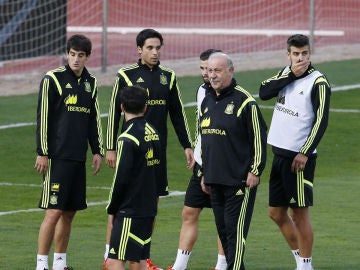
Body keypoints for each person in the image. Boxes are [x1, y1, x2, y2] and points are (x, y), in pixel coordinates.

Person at [104, 28, 194, 270]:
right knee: (124, 199)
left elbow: (177, 111)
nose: (155, 53)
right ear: (139, 50)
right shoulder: (126, 75)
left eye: (158, 48)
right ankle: (109, 254)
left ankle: (142, 254)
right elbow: (114, 112)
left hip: (156, 150)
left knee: (151, 204)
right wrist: (110, 147)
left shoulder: (168, 76)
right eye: (150, 48)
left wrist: (187, 144)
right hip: (131, 149)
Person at [259, 34, 331, 270]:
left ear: (310, 54)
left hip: (298, 159)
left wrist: (305, 152)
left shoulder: (319, 82)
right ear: (288, 54)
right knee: (275, 213)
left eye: (305, 54)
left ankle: (305, 265)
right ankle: (300, 260)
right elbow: (263, 92)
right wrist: (291, 73)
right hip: (279, 155)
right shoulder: (286, 74)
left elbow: (321, 121)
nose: (301, 58)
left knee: (299, 214)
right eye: (296, 54)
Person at [34, 34, 104, 270]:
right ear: (67, 54)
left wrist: (97, 150)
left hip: (78, 157)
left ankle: (59, 264)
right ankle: (41, 265)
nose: (75, 59)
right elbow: (43, 117)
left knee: (69, 213)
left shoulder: (91, 83)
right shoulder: (52, 79)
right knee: (53, 211)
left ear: (87, 57)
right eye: (72, 54)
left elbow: (93, 119)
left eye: (80, 56)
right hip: (56, 158)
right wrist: (42, 152)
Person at [200, 52, 267, 269]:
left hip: (239, 181)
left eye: (217, 70)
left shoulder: (245, 102)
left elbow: (259, 138)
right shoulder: (207, 99)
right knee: (224, 232)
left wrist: (255, 171)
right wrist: (204, 173)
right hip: (214, 179)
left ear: (230, 70)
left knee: (235, 234)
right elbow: (205, 139)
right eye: (209, 71)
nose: (212, 75)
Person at [167, 49, 227, 270]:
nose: (206, 73)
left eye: (210, 69)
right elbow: (201, 125)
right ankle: (179, 266)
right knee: (189, 211)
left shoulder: (231, 96)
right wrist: (194, 147)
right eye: (202, 68)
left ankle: (222, 265)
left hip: (221, 166)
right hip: (202, 162)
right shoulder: (202, 91)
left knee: (222, 218)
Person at [105, 85, 162, 270]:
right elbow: (159, 171)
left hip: (130, 209)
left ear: (122, 107)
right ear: (145, 107)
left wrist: (112, 209)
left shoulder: (127, 138)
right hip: (148, 207)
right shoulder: (152, 131)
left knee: (114, 260)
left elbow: (121, 179)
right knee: (137, 259)